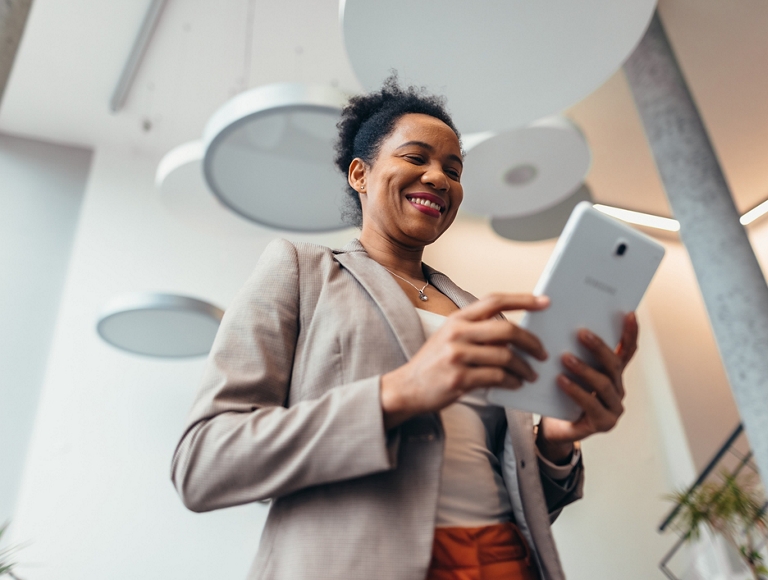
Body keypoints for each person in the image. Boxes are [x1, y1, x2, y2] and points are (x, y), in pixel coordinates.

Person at [171, 77, 637, 580]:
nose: (439, 178)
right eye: (417, 158)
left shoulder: (483, 317)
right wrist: (398, 392)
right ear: (360, 174)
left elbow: (527, 500)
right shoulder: (301, 271)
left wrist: (558, 443)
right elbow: (204, 463)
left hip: (503, 560)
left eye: (453, 170)